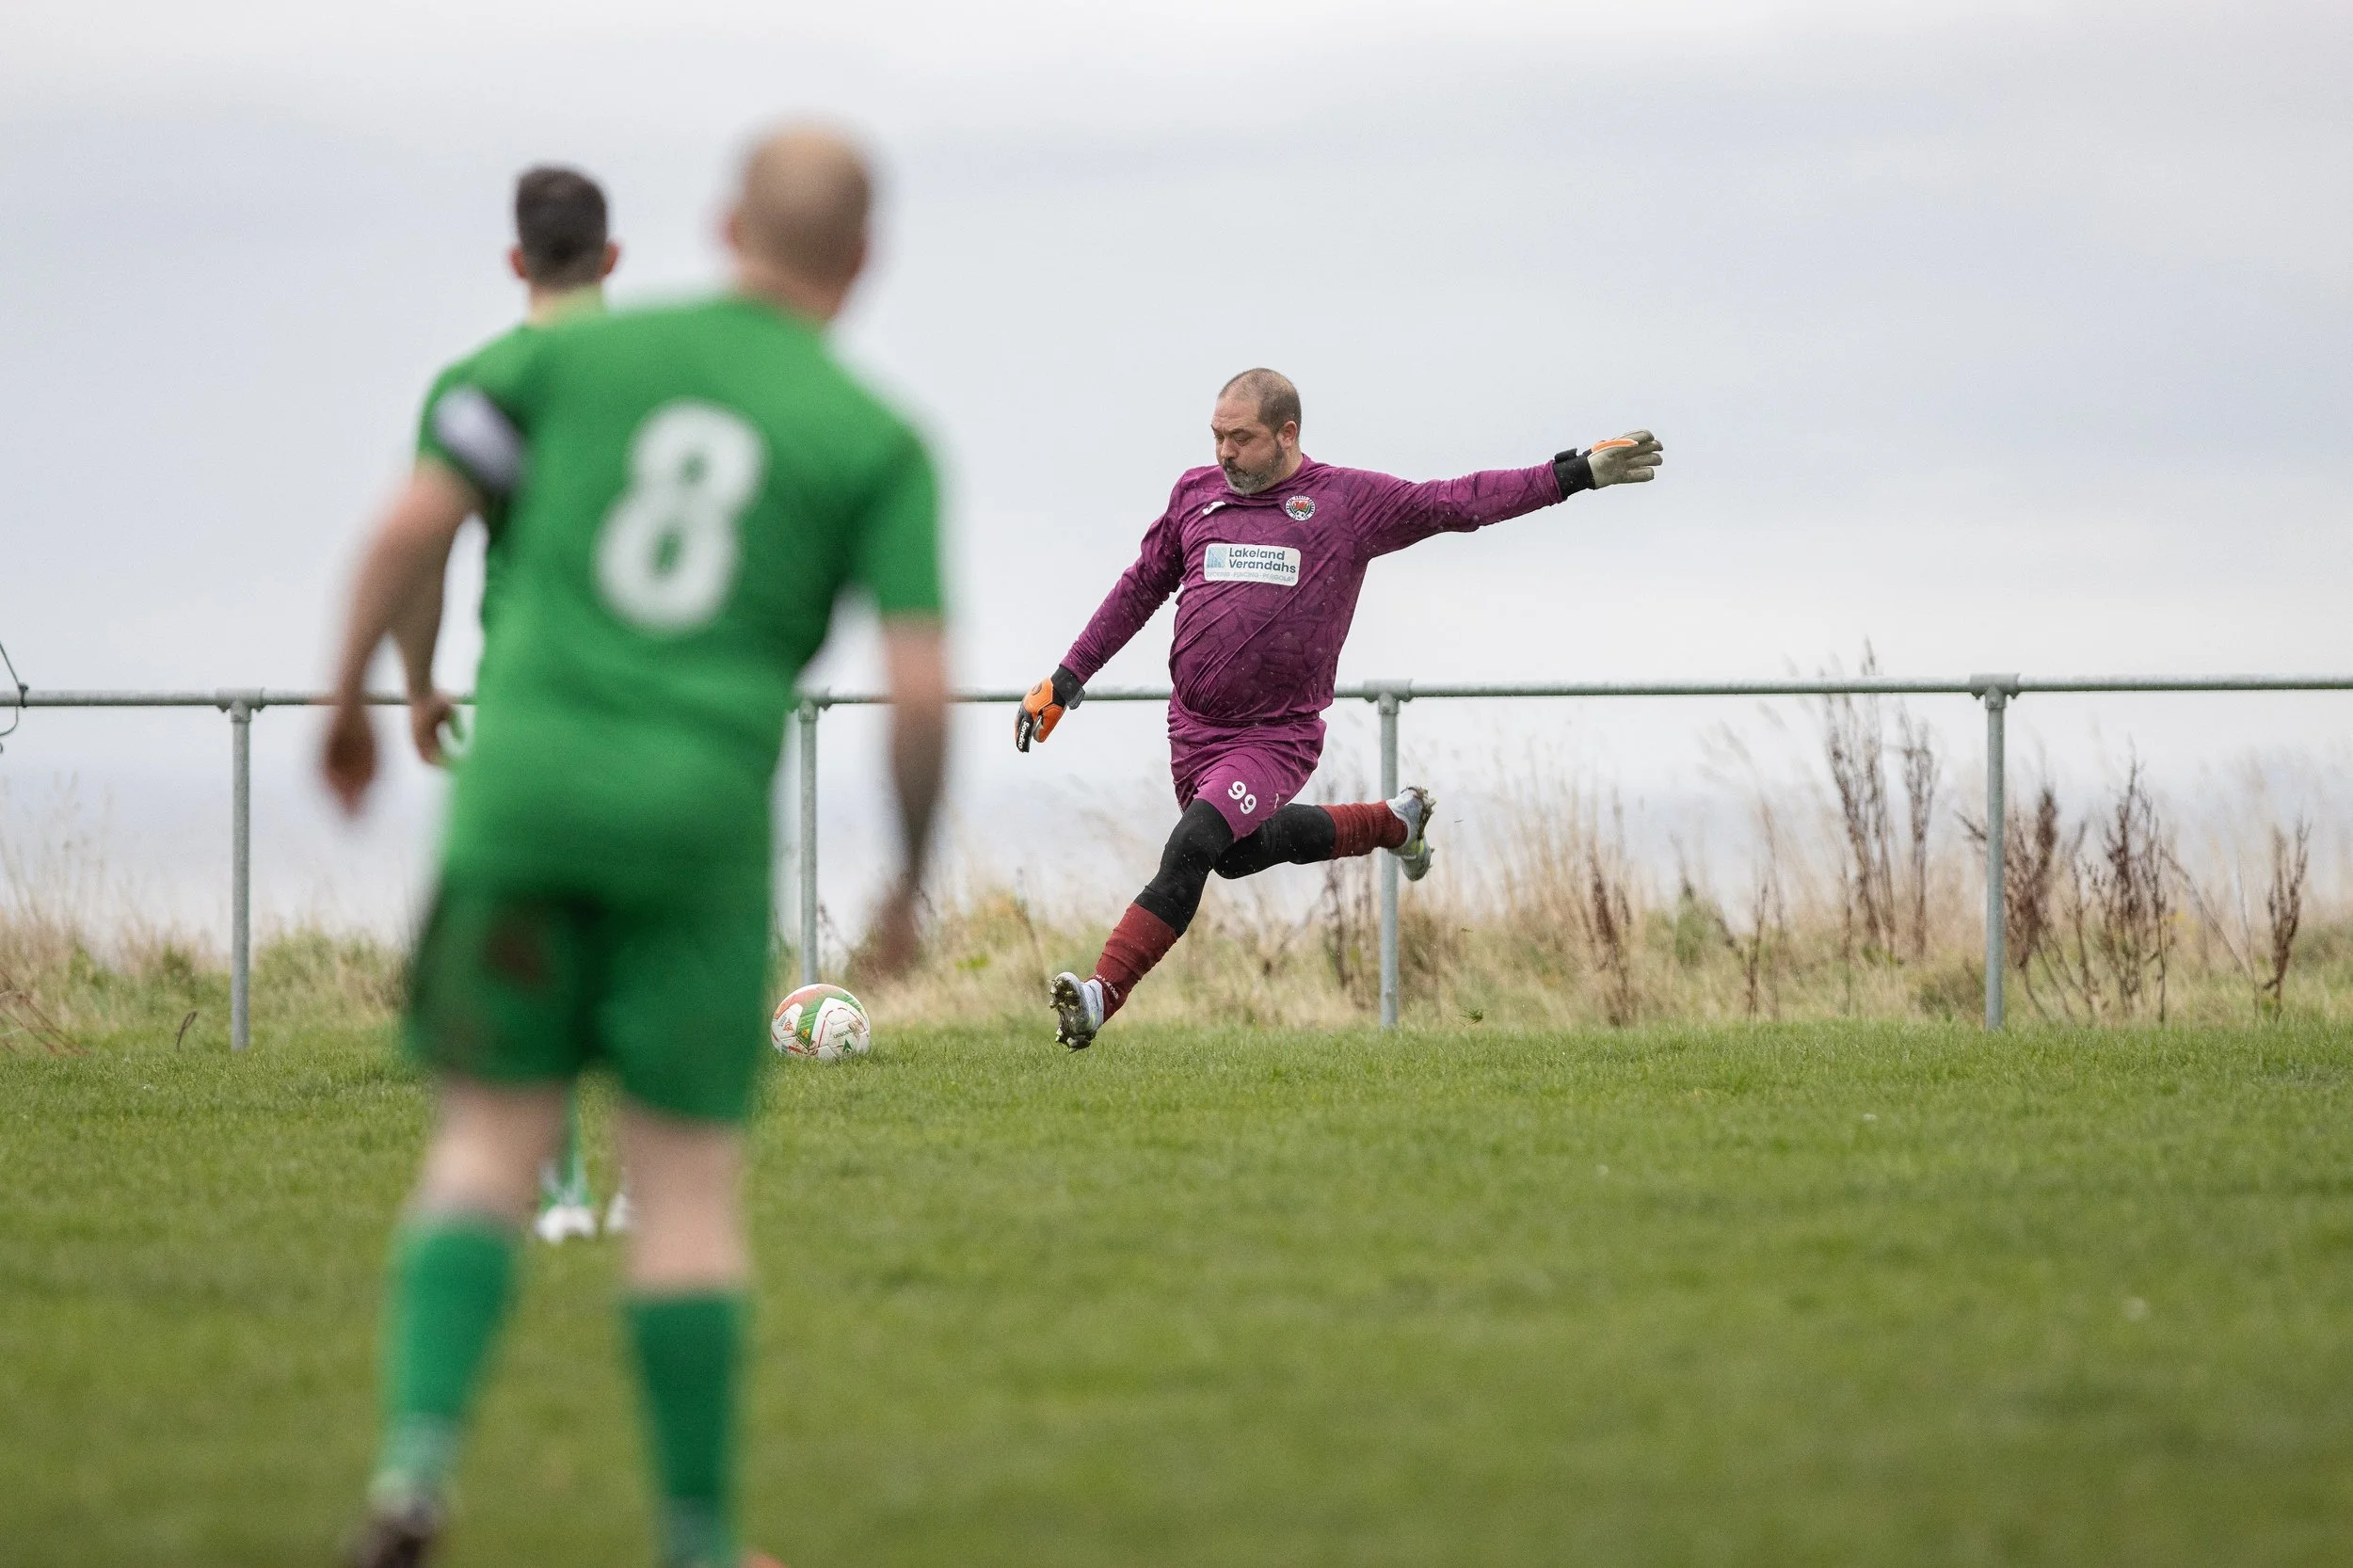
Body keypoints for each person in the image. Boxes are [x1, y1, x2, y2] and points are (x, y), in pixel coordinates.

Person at [322, 125, 949, 1568]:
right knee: (682, 1189)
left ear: (725, 227)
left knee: (482, 1143)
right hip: (694, 835)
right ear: (863, 262)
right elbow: (919, 687)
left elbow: (411, 530)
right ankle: (695, 1539)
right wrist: (910, 874)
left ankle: (414, 1475)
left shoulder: (552, 366)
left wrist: (354, 700)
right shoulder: (877, 437)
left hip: (524, 797)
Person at [1016, 369, 1660, 1048]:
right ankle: (1393, 823)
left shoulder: (1346, 502)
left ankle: (1097, 998)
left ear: (1288, 434)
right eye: (1216, 437)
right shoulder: (1195, 494)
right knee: (1233, 856)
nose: (1224, 453)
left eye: (1241, 438)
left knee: (1194, 846)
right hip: (1193, 729)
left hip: (1274, 737)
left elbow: (1458, 501)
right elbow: (1140, 587)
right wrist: (1065, 679)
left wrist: (1577, 472)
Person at [400, 164, 625, 1246]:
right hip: (650, 698)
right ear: (613, 258)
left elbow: (423, 546)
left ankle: (564, 1192)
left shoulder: (483, 382)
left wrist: (413, 681)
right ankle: (636, 1182)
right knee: (636, 942)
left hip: (525, 695)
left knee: (531, 947)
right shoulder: (658, 377)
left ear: (513, 259)